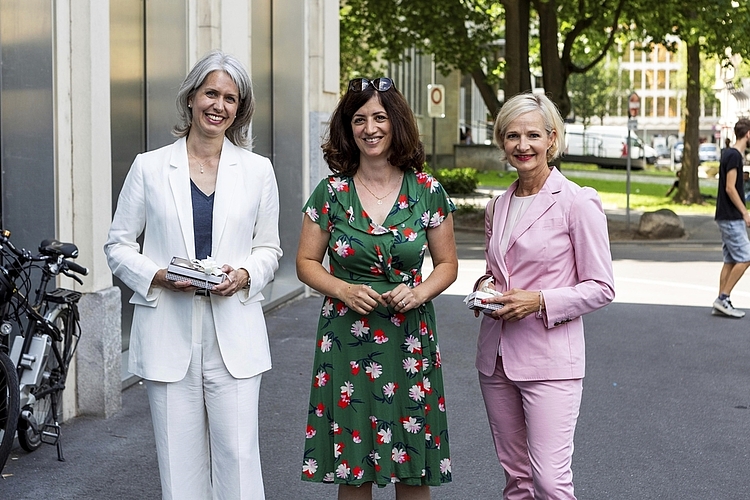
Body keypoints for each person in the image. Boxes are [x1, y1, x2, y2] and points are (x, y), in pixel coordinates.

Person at [104, 50, 282, 499]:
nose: (218, 105)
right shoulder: (149, 166)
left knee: (239, 463)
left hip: (235, 335)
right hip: (168, 329)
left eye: (230, 97)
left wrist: (243, 275)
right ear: (191, 97)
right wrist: (159, 275)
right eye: (210, 93)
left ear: (239, 109)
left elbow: (269, 249)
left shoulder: (259, 171)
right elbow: (118, 245)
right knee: (179, 470)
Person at [297, 77, 458, 499]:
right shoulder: (330, 192)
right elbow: (305, 263)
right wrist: (343, 290)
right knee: (356, 468)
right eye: (359, 119)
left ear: (397, 124)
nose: (370, 128)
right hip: (347, 339)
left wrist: (420, 293)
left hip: (409, 340)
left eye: (380, 117)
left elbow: (447, 264)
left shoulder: (427, 190)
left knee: (412, 467)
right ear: (348, 129)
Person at [472, 92, 615, 499]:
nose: (522, 145)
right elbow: (494, 272)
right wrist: (484, 290)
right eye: (512, 135)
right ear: (502, 142)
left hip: (551, 362)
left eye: (533, 134)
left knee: (550, 482)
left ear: (551, 138)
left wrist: (538, 301)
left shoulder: (577, 201)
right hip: (496, 359)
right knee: (517, 480)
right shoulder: (496, 206)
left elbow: (601, 287)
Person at [713, 118, 750, 318]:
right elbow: (729, 187)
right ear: (748, 134)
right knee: (746, 258)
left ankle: (721, 299)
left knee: (730, 260)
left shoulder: (729, 154)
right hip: (731, 216)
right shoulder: (734, 156)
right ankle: (723, 298)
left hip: (724, 215)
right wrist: (744, 212)